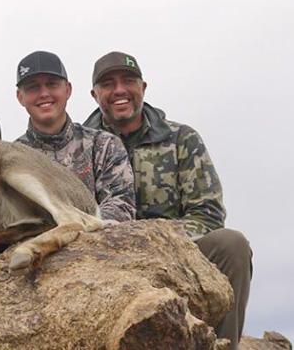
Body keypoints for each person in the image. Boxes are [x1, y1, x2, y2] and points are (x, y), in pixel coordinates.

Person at [84, 51, 251, 349]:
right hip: (106, 257)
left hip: (176, 252)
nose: (119, 90)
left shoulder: (181, 139)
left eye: (128, 81)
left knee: (232, 245)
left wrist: (159, 242)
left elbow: (208, 213)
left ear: (143, 87)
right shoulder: (80, 145)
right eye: (108, 84)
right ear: (95, 95)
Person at [14, 51, 135, 222]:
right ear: (20, 97)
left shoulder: (104, 145)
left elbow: (121, 207)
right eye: (33, 87)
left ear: (68, 90)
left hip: (97, 238)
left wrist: (72, 227)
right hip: (36, 240)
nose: (44, 93)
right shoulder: (13, 159)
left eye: (52, 84)